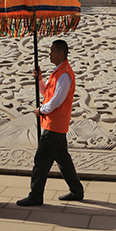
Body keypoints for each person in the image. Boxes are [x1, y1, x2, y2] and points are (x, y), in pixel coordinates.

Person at [17, 40, 84, 206]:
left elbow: (57, 100)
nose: (50, 53)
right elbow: (47, 92)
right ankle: (76, 190)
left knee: (41, 161)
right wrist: (39, 79)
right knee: (63, 159)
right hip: (54, 123)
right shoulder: (58, 72)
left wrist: (42, 110)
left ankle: (36, 195)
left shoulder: (65, 74)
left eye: (52, 50)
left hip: (54, 124)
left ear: (62, 53)